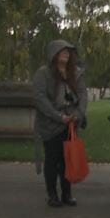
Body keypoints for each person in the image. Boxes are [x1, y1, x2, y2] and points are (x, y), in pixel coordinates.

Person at [33, 40, 88, 207]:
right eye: (62, 51)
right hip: (51, 125)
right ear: (54, 54)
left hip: (70, 124)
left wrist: (78, 114)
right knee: (52, 159)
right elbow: (40, 99)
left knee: (67, 159)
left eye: (68, 51)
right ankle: (52, 195)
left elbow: (82, 94)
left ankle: (67, 194)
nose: (66, 54)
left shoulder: (75, 73)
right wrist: (58, 116)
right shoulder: (43, 74)